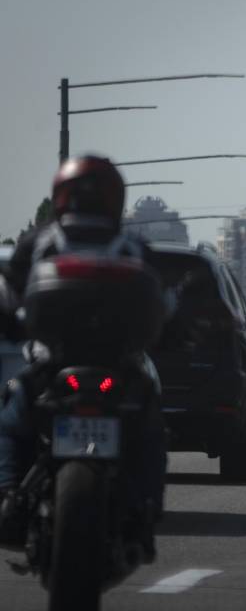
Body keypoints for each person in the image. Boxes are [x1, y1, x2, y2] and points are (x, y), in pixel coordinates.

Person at [0, 156, 168, 556]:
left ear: (60, 196)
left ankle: (7, 497)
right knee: (150, 425)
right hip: (116, 366)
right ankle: (145, 511)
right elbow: (164, 305)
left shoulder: (42, 241)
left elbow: (10, 293)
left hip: (52, 364)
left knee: (13, 414)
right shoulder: (131, 246)